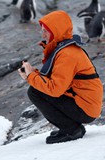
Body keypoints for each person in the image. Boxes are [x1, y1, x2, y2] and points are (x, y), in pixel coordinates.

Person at [18, 10, 103, 144]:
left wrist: (31, 76)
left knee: (35, 92)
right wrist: (31, 74)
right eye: (42, 30)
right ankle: (71, 127)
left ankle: (72, 129)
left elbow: (55, 89)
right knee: (36, 89)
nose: (43, 34)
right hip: (83, 102)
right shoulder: (63, 49)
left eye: (46, 30)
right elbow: (56, 80)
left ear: (57, 31)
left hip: (86, 107)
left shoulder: (67, 54)